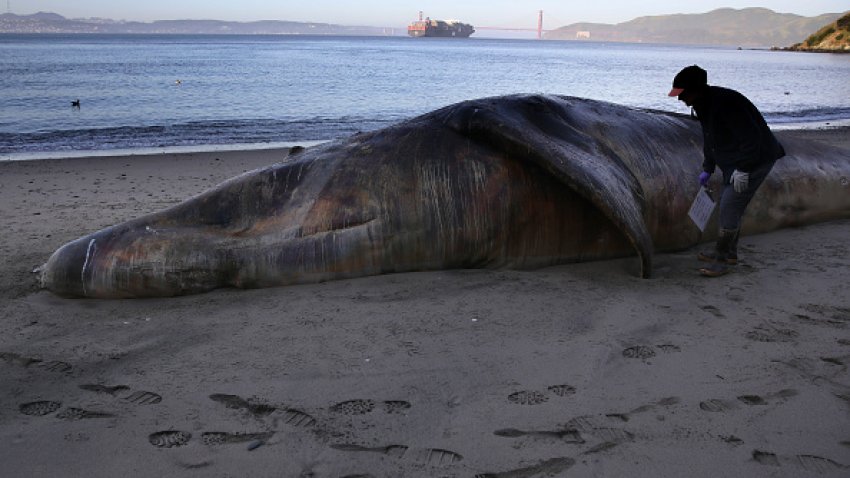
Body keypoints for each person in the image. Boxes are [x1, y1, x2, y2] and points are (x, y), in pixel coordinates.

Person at [668, 65, 785, 277]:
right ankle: (729, 253)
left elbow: (752, 139)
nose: (680, 99)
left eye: (682, 93)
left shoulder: (727, 104)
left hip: (757, 159)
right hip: (736, 161)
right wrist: (708, 168)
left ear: (696, 89)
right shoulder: (703, 105)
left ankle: (721, 259)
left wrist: (744, 169)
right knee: (730, 204)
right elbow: (710, 139)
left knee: (730, 206)